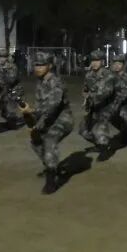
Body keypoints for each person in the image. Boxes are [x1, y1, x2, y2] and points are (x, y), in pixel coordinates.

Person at [20, 52, 73, 194]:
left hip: (63, 120)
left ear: (49, 66)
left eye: (41, 65)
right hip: (48, 119)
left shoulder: (56, 82)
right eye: (36, 65)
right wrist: (34, 124)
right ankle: (52, 167)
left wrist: (33, 111)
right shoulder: (41, 82)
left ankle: (51, 181)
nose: (38, 68)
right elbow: (41, 106)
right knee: (35, 141)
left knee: (49, 140)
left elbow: (53, 105)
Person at [78, 50, 116, 159]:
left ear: (102, 62)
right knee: (83, 130)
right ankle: (100, 146)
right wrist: (85, 95)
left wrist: (90, 95)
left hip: (106, 108)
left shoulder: (108, 75)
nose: (94, 63)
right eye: (93, 60)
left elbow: (106, 93)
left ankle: (105, 149)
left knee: (100, 131)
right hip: (93, 107)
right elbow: (85, 89)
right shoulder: (89, 75)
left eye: (97, 60)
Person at [108, 53, 127, 145]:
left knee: (122, 113)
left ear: (124, 65)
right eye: (115, 63)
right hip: (116, 102)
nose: (117, 66)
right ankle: (126, 130)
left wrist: (115, 102)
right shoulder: (111, 77)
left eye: (119, 63)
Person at [0, 52, 23, 129]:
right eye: (0, 57)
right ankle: (10, 121)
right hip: (3, 90)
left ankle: (13, 125)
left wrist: (0, 95)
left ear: (7, 58)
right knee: (1, 108)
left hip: (14, 90)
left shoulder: (12, 67)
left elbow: (10, 81)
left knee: (11, 108)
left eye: (4, 57)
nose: (2, 59)